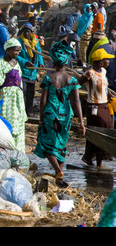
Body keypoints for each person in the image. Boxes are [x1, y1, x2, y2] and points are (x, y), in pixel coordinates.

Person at [34, 40, 85, 187]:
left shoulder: (48, 79)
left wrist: (41, 118)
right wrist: (81, 122)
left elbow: (42, 101)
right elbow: (76, 102)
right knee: (61, 144)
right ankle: (59, 177)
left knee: (47, 143)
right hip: (65, 116)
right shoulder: (72, 80)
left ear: (53, 62)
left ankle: (58, 171)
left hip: (51, 115)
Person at [0, 38, 27, 152]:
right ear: (8, 50)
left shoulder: (17, 64)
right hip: (6, 100)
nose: (17, 53)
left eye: (19, 51)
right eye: (15, 50)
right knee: (6, 124)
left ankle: (18, 153)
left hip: (17, 100)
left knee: (19, 125)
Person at [78, 48, 115, 168]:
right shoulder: (90, 73)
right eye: (106, 59)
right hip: (94, 106)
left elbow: (104, 86)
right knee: (98, 131)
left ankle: (97, 159)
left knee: (108, 127)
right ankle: (91, 157)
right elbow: (78, 83)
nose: (109, 61)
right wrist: (85, 80)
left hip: (104, 105)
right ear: (100, 61)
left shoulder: (103, 71)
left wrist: (109, 95)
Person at [17, 22, 44, 116]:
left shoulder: (35, 41)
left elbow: (38, 53)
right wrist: (25, 62)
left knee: (31, 93)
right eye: (25, 31)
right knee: (23, 92)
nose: (26, 33)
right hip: (24, 71)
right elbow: (17, 56)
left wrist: (40, 63)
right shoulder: (20, 42)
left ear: (32, 32)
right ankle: (22, 111)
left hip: (32, 72)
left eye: (28, 32)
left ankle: (28, 110)